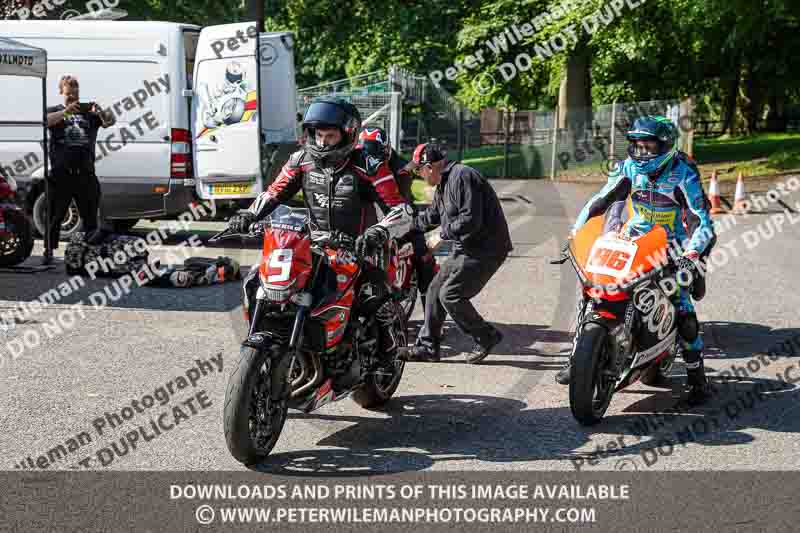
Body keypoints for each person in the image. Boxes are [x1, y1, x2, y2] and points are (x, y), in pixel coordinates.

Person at [228, 97, 413, 364]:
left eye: (330, 135)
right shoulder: (301, 160)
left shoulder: (368, 166)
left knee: (376, 295)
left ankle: (388, 353)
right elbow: (274, 193)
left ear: (348, 134)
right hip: (311, 242)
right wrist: (248, 214)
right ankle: (267, 345)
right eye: (318, 135)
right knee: (258, 279)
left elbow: (402, 210)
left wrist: (379, 232)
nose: (323, 142)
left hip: (359, 246)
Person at [555, 115, 715, 406]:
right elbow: (600, 200)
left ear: (664, 146)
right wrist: (576, 234)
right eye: (636, 146)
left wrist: (692, 255)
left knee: (685, 312)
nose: (641, 153)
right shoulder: (628, 167)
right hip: (635, 239)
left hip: (673, 245)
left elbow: (701, 221)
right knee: (595, 291)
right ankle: (578, 358)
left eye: (648, 147)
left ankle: (698, 380)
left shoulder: (684, 174)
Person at [401, 143, 512, 364]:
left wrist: (440, 235)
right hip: (467, 248)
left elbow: (470, 220)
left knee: (450, 294)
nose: (417, 176)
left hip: (486, 250)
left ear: (430, 167)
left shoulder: (462, 177)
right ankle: (428, 347)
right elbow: (431, 216)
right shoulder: (444, 183)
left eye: (418, 171)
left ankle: (487, 336)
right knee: (434, 289)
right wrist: (402, 231)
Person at [358, 127, 437, 302]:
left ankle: (431, 319)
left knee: (423, 257)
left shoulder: (401, 169)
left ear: (386, 149)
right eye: (364, 151)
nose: (369, 158)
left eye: (374, 151)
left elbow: (402, 204)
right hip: (369, 215)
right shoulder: (357, 163)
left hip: (401, 214)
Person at [44, 75, 114, 265]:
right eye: (68, 94)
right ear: (61, 92)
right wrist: (66, 112)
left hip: (85, 173)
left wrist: (101, 111)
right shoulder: (55, 111)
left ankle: (90, 255)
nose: (73, 98)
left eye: (75, 94)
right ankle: (48, 252)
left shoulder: (89, 115)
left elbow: (110, 121)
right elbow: (45, 121)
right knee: (54, 217)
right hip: (61, 174)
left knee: (91, 217)